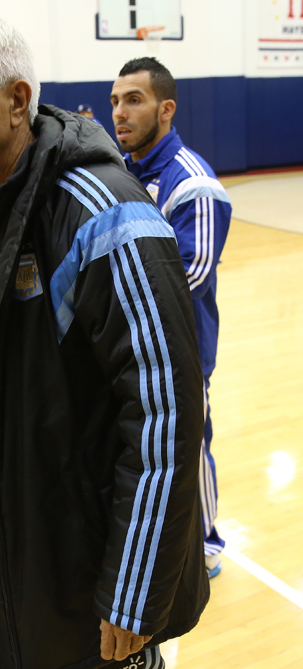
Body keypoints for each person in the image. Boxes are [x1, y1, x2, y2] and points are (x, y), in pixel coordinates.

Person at [0, 14, 257, 669]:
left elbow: (163, 411)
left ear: (17, 100)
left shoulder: (102, 210)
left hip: (87, 533)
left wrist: (133, 586)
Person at [110, 57, 232, 580]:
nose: (120, 112)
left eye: (133, 100)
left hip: (180, 354)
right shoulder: (120, 173)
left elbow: (189, 278)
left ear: (166, 109)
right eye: (115, 101)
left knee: (188, 449)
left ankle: (206, 543)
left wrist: (108, 302)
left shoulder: (194, 185)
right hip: (126, 348)